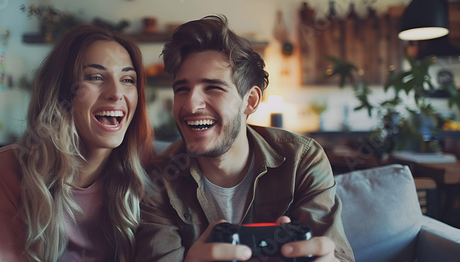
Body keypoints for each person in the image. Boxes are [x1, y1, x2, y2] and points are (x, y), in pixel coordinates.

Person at [135, 15, 355, 262]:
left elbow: (337, 255)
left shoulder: (302, 160)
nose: (190, 104)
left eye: (213, 87)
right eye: (182, 89)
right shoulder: (158, 179)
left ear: (250, 101)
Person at [0, 24, 154, 262]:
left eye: (127, 79)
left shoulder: (149, 167)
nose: (116, 92)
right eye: (95, 77)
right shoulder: (7, 168)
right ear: (62, 93)